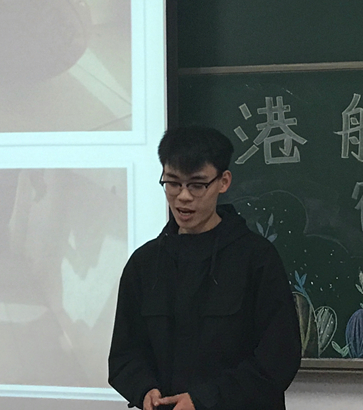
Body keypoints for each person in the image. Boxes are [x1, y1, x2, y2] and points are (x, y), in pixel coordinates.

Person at [108, 126, 301, 410]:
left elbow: (279, 359)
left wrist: (204, 400)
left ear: (223, 181)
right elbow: (124, 356)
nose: (183, 197)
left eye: (197, 185)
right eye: (173, 183)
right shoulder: (144, 264)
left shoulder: (256, 259)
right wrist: (143, 389)